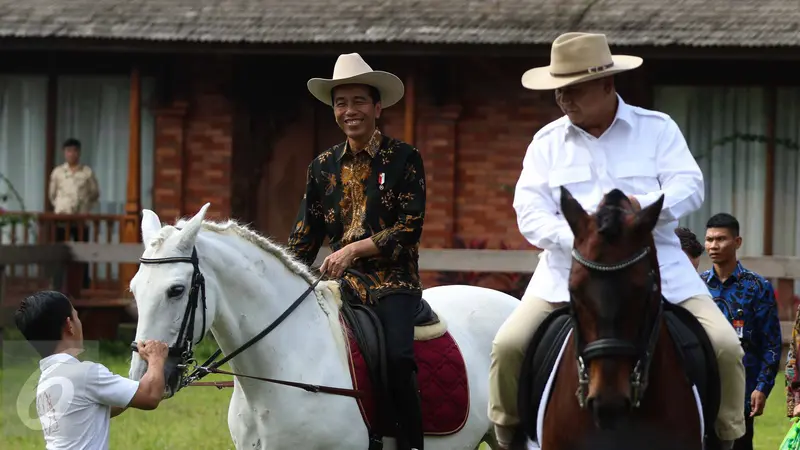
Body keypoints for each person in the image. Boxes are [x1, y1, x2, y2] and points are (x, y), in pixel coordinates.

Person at [489, 32, 746, 450]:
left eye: (573, 90)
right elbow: (529, 211)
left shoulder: (657, 129)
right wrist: (581, 240)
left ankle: (727, 437)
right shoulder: (546, 143)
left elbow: (690, 185)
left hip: (657, 266)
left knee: (725, 347)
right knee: (507, 346)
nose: (563, 100)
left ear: (608, 85)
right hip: (566, 271)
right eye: (558, 91)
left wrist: (640, 207)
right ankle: (509, 436)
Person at [287, 53, 425, 450]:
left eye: (359, 101)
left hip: (393, 283)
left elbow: (408, 230)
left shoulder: (404, 159)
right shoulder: (322, 167)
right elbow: (303, 238)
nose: (350, 111)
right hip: (338, 287)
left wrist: (352, 251)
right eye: (341, 103)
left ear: (377, 107)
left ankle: (411, 443)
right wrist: (280, 275)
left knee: (398, 359)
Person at [14, 290, 169, 450]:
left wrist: (135, 389)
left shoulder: (46, 379)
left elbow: (96, 409)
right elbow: (150, 396)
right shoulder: (83, 373)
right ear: (69, 325)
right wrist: (156, 357)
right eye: (76, 316)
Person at [701, 213, 781, 450]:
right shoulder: (698, 286)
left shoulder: (757, 287)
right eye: (709, 239)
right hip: (705, 387)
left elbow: (772, 343)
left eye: (721, 239)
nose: (713, 246)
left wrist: (762, 387)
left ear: (737, 242)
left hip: (742, 392)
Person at [48, 138, 99, 288]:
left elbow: (94, 194)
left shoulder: (87, 172)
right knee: (59, 253)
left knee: (81, 254)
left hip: (80, 220)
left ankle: (82, 284)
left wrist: (85, 208)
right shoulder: (58, 172)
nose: (72, 154)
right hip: (62, 219)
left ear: (79, 152)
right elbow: (52, 194)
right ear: (64, 153)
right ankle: (57, 284)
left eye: (75, 151)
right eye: (69, 151)